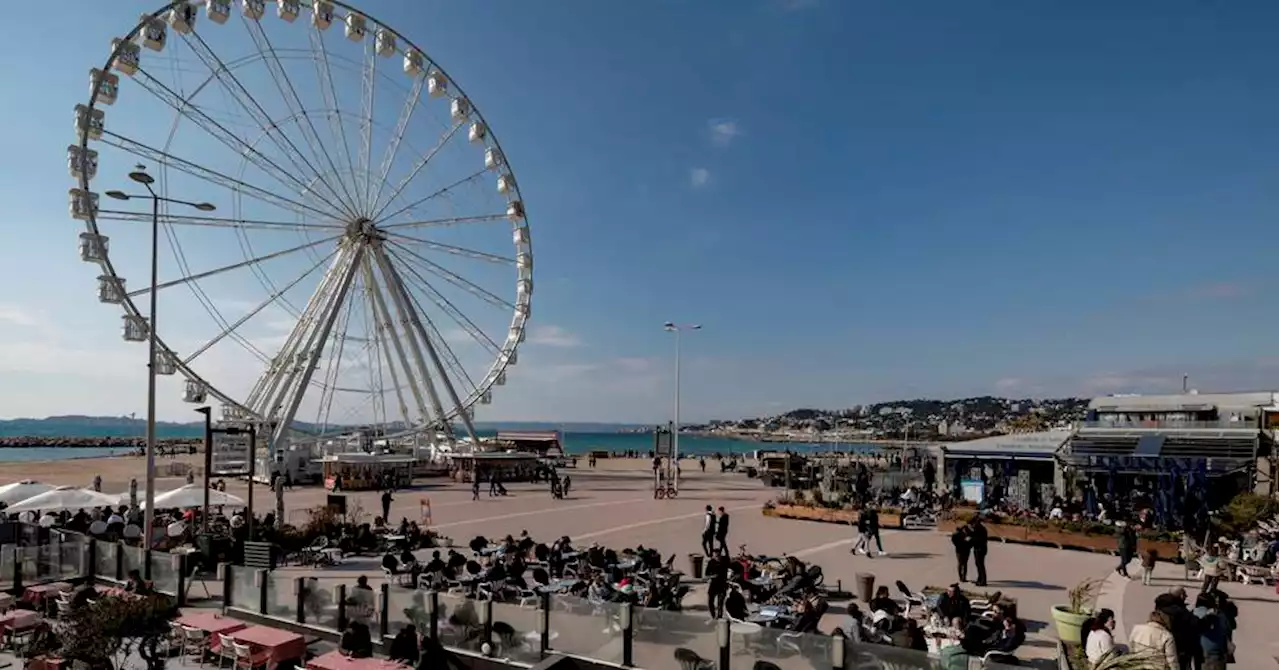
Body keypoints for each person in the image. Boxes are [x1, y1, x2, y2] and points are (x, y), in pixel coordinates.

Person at [1192, 593, 1227, 670]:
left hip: (1198, 651)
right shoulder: (1218, 615)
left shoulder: (1192, 613)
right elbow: (1227, 629)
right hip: (1213, 652)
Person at [705, 548, 729, 618]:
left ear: (720, 555)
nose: (716, 557)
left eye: (718, 556)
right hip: (713, 585)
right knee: (710, 602)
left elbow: (731, 569)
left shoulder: (724, 562)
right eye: (715, 556)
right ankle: (713, 615)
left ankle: (719, 618)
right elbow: (706, 574)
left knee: (720, 604)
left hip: (722, 585)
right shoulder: (711, 562)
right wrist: (712, 576)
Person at [969, 518, 989, 586]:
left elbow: (975, 539)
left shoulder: (978, 528)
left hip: (979, 549)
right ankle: (980, 579)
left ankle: (983, 581)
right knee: (978, 565)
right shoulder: (981, 528)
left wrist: (969, 540)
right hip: (980, 549)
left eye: (972, 524)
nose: (971, 526)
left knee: (980, 565)